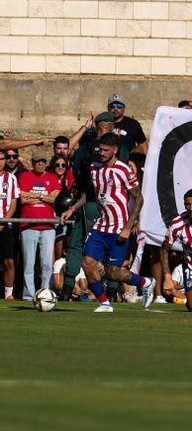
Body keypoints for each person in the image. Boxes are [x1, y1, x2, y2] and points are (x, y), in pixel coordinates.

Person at [58, 133, 154, 312]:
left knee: (113, 272)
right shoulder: (94, 168)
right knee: (87, 263)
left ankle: (145, 282)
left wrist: (129, 226)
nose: (101, 153)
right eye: (100, 150)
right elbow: (89, 194)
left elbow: (139, 198)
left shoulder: (123, 170)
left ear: (115, 150)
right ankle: (104, 303)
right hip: (100, 226)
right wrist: (72, 208)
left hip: (119, 227)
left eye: (105, 150)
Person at [17, 156, 61, 299]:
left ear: (46, 163)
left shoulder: (52, 177)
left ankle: (45, 293)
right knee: (28, 264)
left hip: (48, 226)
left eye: (43, 161)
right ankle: (28, 295)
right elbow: (23, 199)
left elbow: (55, 198)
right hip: (28, 225)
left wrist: (34, 196)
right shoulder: (24, 176)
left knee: (47, 264)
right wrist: (45, 196)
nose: (40, 164)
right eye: (37, 162)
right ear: (32, 163)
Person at [0, 157, 18, 299]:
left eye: (2, 159)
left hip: (5, 224)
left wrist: (3, 222)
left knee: (9, 261)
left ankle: (8, 294)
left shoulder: (11, 178)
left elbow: (13, 203)